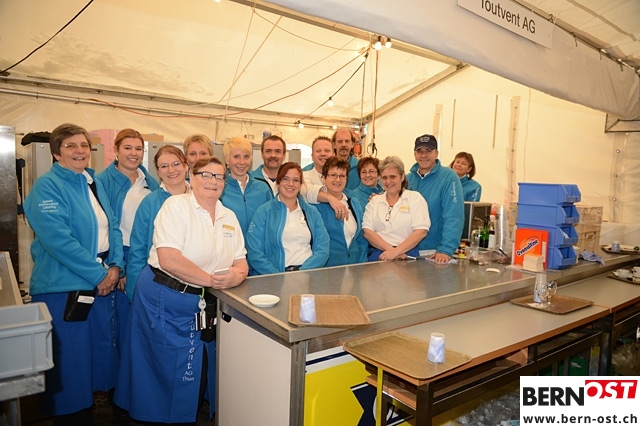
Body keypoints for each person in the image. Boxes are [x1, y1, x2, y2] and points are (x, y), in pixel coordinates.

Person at [117, 156, 248, 424]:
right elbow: (169, 259)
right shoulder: (176, 206)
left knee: (195, 366)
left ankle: (189, 413)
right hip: (165, 297)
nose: (212, 181)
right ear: (192, 177)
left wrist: (236, 276)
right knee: (163, 367)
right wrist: (212, 281)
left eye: (219, 176)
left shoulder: (229, 216)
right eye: (205, 175)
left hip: (203, 301)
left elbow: (241, 260)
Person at [24, 123, 124, 425]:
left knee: (93, 361)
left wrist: (115, 266)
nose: (80, 151)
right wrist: (98, 275)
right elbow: (59, 241)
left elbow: (113, 226)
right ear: (56, 153)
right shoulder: (47, 187)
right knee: (69, 368)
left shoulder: (92, 181)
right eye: (70, 146)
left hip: (98, 282)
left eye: (83, 145)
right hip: (62, 289)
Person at [95, 128, 159, 397]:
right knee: (118, 328)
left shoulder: (149, 181)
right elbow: (109, 227)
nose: (134, 153)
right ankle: (118, 391)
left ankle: (137, 388)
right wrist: (118, 266)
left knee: (140, 326)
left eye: (138, 148)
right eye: (128, 148)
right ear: (116, 150)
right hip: (120, 256)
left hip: (146, 256)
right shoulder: (103, 181)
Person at [124, 145, 190, 299]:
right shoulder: (150, 203)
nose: (171, 170)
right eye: (164, 166)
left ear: (186, 166)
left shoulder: (200, 199)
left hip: (194, 283)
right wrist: (134, 292)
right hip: (158, 284)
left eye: (176, 164)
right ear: (158, 172)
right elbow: (138, 251)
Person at [246, 162, 330, 274]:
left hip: (307, 275)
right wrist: (277, 276)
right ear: (278, 182)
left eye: (296, 180)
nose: (291, 184)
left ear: (300, 184)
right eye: (285, 179)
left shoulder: (312, 212)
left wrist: (302, 272)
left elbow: (322, 248)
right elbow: (254, 252)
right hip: (276, 276)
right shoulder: (264, 212)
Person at [407, 134, 464, 264]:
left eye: (428, 151)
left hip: (434, 252)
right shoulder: (407, 179)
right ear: (414, 154)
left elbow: (454, 216)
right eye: (419, 151)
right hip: (407, 251)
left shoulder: (449, 177)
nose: (423, 155)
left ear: (436, 153)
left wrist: (446, 249)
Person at [363, 156, 430, 262]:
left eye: (392, 177)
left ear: (402, 177)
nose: (388, 181)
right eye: (384, 178)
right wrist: (391, 251)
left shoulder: (415, 198)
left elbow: (421, 231)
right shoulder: (374, 202)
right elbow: (367, 231)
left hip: (407, 254)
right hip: (380, 254)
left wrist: (397, 251)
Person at [315, 157, 368, 266]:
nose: (338, 180)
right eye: (333, 175)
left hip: (354, 266)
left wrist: (362, 264)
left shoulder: (354, 203)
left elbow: (361, 238)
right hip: (327, 268)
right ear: (323, 178)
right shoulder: (315, 207)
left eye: (342, 176)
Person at [220, 136, 273, 245]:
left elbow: (272, 223)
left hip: (258, 251)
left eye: (246, 157)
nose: (242, 162)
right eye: (236, 157)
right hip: (229, 250)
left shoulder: (263, 189)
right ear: (227, 160)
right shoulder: (219, 189)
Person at [300, 136, 349, 220]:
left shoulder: (342, 176)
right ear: (312, 156)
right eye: (318, 151)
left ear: (334, 154)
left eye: (327, 150)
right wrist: (331, 199)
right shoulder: (303, 176)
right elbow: (306, 191)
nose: (323, 154)